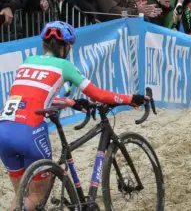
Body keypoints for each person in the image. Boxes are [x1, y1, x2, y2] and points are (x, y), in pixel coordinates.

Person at [0, 21, 145, 210]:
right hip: (29, 133)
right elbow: (97, 94)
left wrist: (71, 102)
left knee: (21, 198)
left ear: (44, 44)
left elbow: (34, 98)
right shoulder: (64, 65)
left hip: (4, 130)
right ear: (66, 47)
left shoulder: (27, 63)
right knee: (34, 199)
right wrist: (130, 98)